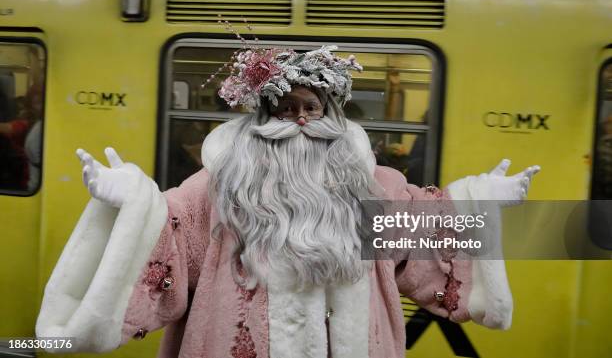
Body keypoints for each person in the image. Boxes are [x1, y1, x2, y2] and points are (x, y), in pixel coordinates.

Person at [36, 45, 540, 358]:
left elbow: (427, 239)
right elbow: (168, 233)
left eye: (312, 108)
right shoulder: (217, 188)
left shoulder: (376, 189)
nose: (300, 122)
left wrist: (480, 201)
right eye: (286, 109)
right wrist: (130, 202)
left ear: (332, 116)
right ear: (262, 118)